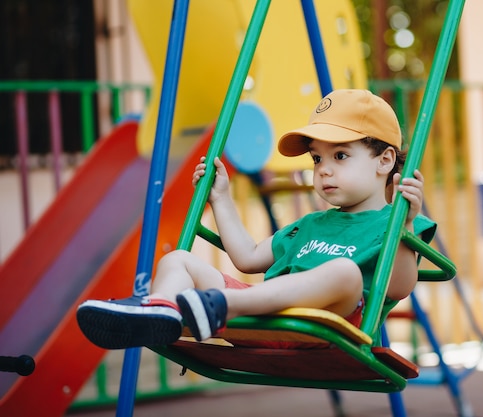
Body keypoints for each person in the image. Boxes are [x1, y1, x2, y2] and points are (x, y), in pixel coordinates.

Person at [76, 89, 436, 350]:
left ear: (385, 161)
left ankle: (215, 306)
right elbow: (247, 257)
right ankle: (161, 310)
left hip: (323, 327)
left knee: (345, 273)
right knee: (178, 259)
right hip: (260, 316)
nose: (324, 170)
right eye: (316, 159)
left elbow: (397, 287)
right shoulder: (308, 225)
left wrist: (405, 228)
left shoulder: (397, 223)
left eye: (340, 156)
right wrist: (221, 199)